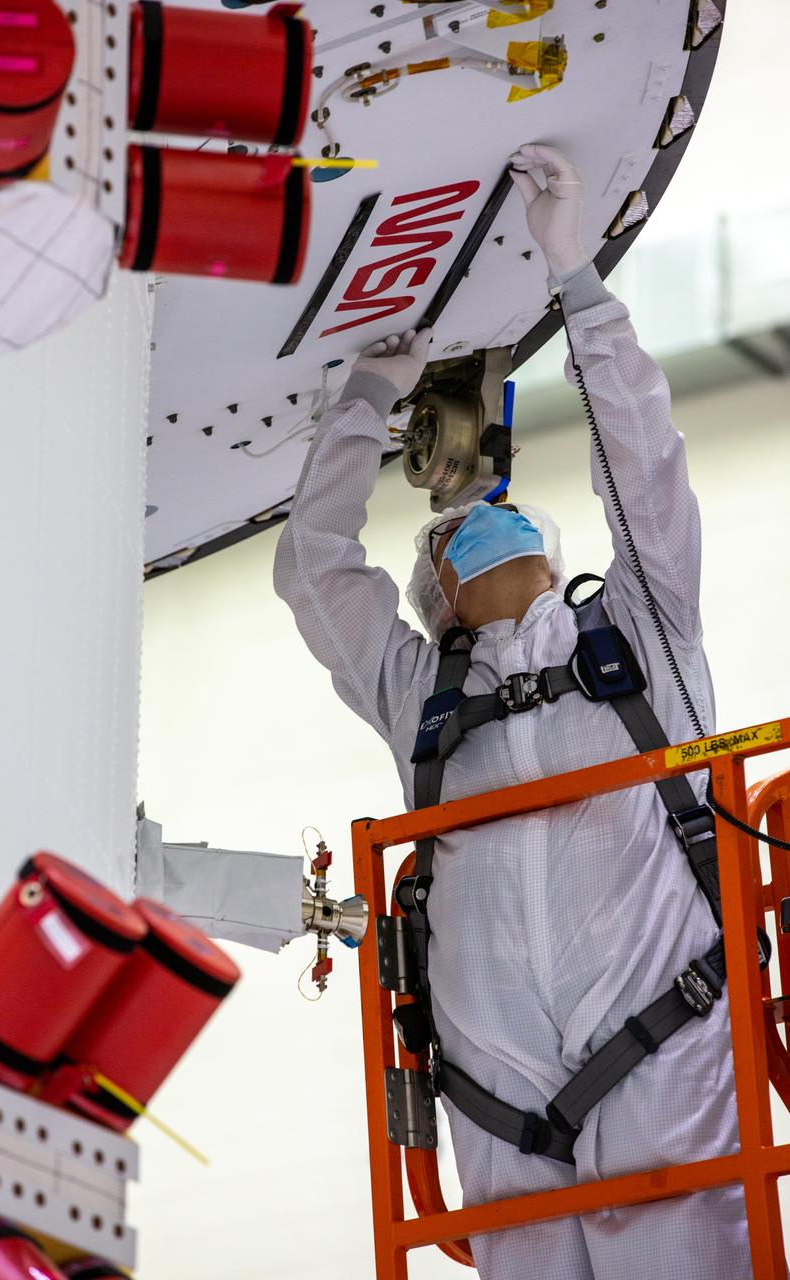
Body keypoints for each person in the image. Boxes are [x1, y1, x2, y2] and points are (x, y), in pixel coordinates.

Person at [274, 145, 752, 1280]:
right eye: (447, 528)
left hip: (662, 1046)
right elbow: (312, 566)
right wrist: (365, 399)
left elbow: (642, 463)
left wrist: (576, 278)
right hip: (498, 1093)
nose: (477, 516)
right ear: (433, 591)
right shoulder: (421, 693)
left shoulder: (639, 633)